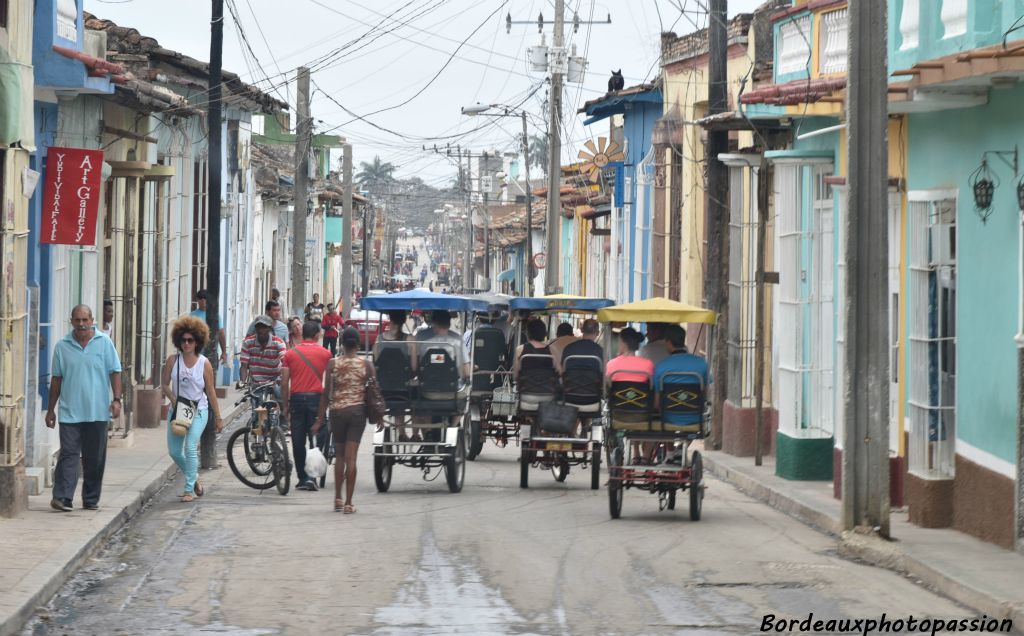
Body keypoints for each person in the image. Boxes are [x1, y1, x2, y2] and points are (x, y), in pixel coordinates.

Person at [45, 305, 123, 512]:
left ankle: (90, 498)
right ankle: (62, 497)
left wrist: (116, 400)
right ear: (71, 321)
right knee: (69, 455)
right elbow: (56, 380)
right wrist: (50, 409)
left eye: (85, 320)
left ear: (92, 321)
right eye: (77, 320)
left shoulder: (104, 343)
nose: (81, 324)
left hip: (97, 412)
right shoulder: (62, 346)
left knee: (94, 458)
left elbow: (115, 372)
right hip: (70, 412)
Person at [161, 316, 223, 503]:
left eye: (190, 340)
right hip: (178, 410)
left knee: (190, 447)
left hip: (199, 410)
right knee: (174, 451)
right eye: (183, 340)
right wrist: (174, 400)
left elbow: (211, 392)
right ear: (178, 341)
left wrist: (218, 417)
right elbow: (164, 385)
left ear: (198, 341)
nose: (186, 343)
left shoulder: (204, 363)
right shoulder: (173, 360)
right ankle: (194, 478)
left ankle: (189, 489)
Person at [315, 327, 374, 513]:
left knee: (339, 456)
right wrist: (379, 416)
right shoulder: (366, 365)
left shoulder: (333, 364)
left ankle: (337, 499)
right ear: (358, 344)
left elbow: (326, 394)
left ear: (342, 343)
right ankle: (349, 503)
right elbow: (375, 393)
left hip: (337, 412)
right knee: (352, 458)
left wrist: (318, 420)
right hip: (357, 413)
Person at [282, 321, 334, 491]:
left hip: (296, 399)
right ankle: (313, 473)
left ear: (303, 334)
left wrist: (285, 405)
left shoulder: (290, 354)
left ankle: (303, 478)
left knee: (298, 438)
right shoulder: (326, 354)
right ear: (317, 335)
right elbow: (331, 380)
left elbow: (284, 382)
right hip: (317, 400)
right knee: (320, 432)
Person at [653, 324, 710, 429]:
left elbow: (657, 404)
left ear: (668, 342)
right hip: (696, 417)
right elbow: (706, 394)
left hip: (668, 418)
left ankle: (668, 445)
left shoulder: (660, 367)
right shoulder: (702, 363)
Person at [238, 315, 287, 390]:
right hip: (256, 382)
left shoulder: (278, 342)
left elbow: (284, 362)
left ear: (270, 329)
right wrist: (242, 382)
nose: (261, 330)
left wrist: (282, 378)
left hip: (275, 380)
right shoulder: (248, 342)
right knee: (254, 399)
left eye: (264, 327)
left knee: (278, 396)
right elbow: (244, 366)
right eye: (259, 327)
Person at [514, 318, 561, 382]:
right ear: (544, 333)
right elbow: (559, 372)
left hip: (526, 389)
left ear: (528, 333)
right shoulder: (552, 350)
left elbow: (516, 375)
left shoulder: (520, 350)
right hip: (548, 390)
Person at [190, 289, 229, 365]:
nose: (203, 301)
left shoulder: (215, 316)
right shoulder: (192, 316)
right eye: (200, 299)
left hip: (211, 353)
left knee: (210, 375)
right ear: (197, 300)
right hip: (196, 353)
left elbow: (221, 334)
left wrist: (224, 352)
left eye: (205, 298)